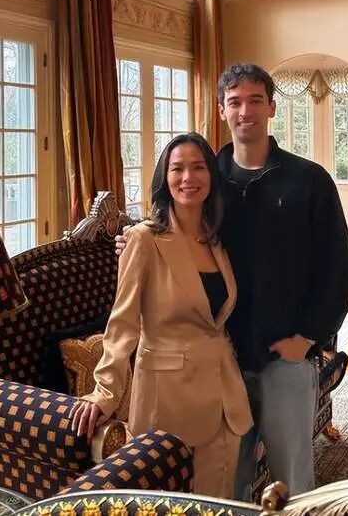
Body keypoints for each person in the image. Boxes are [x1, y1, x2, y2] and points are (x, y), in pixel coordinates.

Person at [116, 64, 348, 498]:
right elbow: (177, 222)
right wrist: (138, 237)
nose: (245, 111)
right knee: (226, 484)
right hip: (220, 363)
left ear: (272, 107)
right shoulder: (211, 177)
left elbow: (337, 266)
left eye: (255, 100)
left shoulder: (309, 180)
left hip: (285, 359)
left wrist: (308, 338)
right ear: (222, 110)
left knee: (293, 483)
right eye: (235, 102)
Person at [69, 132, 253, 499]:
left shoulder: (216, 239)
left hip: (224, 396)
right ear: (164, 178)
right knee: (169, 504)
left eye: (198, 167)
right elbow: (122, 322)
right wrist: (105, 391)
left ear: (211, 176)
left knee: (219, 501)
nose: (188, 178)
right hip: (168, 398)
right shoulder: (143, 239)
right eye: (177, 168)